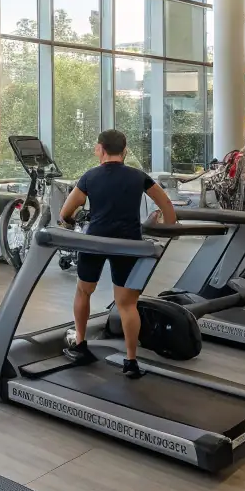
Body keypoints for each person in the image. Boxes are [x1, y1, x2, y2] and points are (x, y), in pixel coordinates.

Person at [57, 129, 177, 379]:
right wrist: (169, 228)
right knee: (127, 304)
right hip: (128, 244)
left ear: (100, 149)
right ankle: (131, 362)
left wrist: (68, 222)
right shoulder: (138, 176)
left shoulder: (89, 177)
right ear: (124, 151)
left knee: (83, 291)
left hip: (96, 241)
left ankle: (80, 344)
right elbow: (166, 204)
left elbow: (66, 212)